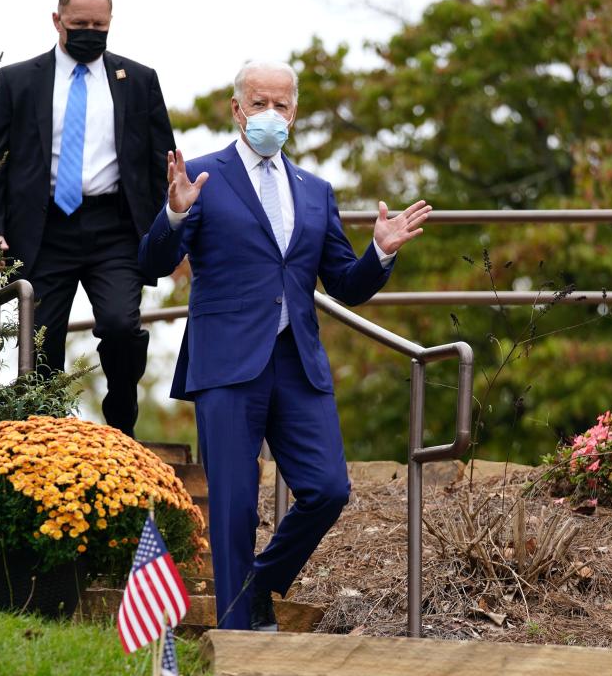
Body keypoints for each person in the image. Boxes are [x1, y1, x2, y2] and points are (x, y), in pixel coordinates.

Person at [138, 61, 431, 630]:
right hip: (227, 364)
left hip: (298, 363)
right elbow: (153, 262)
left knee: (328, 489)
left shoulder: (315, 192)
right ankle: (235, 635)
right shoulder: (200, 176)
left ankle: (258, 586)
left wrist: (381, 254)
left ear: (293, 113)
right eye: (259, 102)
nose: (270, 114)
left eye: (281, 104)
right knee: (233, 505)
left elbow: (344, 285)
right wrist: (174, 213)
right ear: (237, 109)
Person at [0, 0, 175, 436]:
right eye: (79, 23)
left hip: (115, 228)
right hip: (42, 229)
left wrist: (165, 230)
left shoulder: (138, 80)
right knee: (41, 345)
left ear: (110, 23)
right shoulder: (19, 80)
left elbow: (163, 163)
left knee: (123, 326)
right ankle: (45, 441)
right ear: (56, 20)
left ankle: (122, 416)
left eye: (98, 25)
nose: (89, 32)